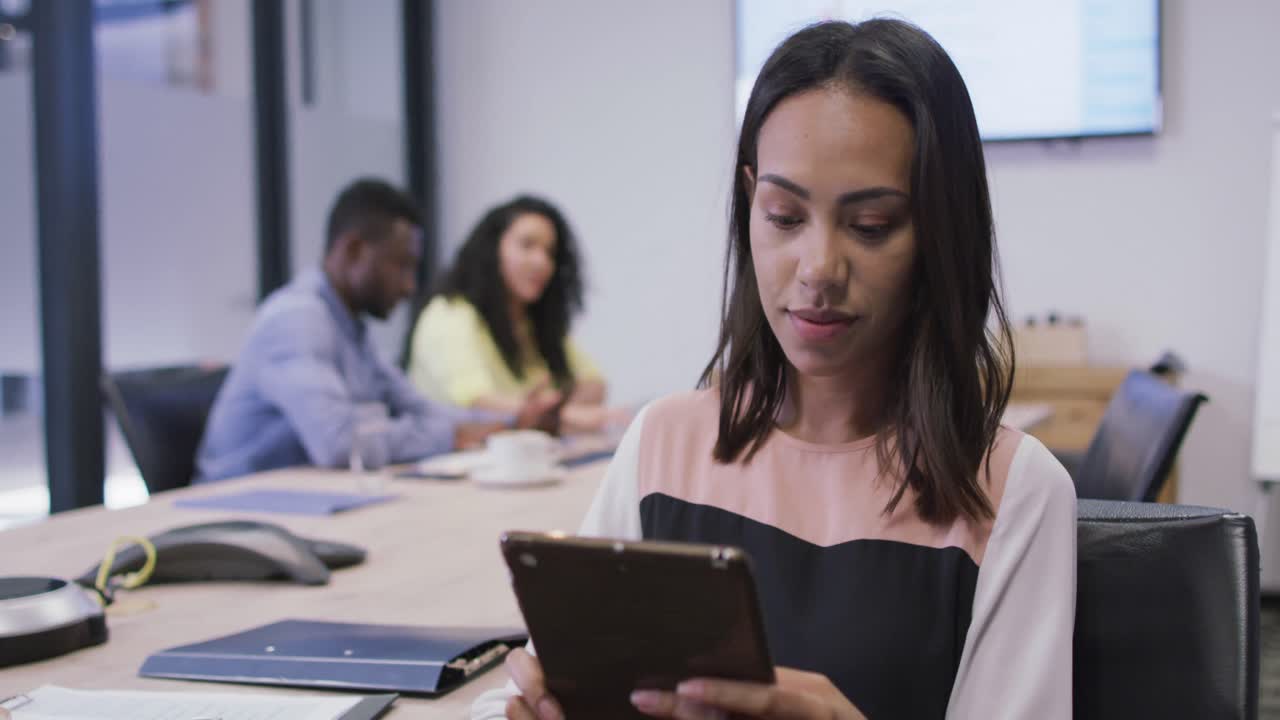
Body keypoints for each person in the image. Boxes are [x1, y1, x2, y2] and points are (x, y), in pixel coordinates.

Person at [473, 18, 1075, 720]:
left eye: (872, 226)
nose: (818, 269)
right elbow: (531, 687)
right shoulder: (665, 445)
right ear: (749, 201)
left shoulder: (1012, 492)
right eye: (785, 216)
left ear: (941, 232)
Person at [196, 179, 558, 483]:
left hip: (310, 498)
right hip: (236, 510)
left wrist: (508, 422)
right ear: (354, 250)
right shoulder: (296, 320)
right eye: (401, 266)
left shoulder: (352, 328)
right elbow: (340, 443)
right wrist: (455, 434)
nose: (409, 286)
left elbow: (417, 408)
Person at [407, 195, 615, 433]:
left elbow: (595, 385)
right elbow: (476, 403)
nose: (542, 262)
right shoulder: (449, 314)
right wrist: (559, 415)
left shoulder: (531, 322)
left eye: (550, 253)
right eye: (527, 245)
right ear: (492, 249)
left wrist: (549, 412)